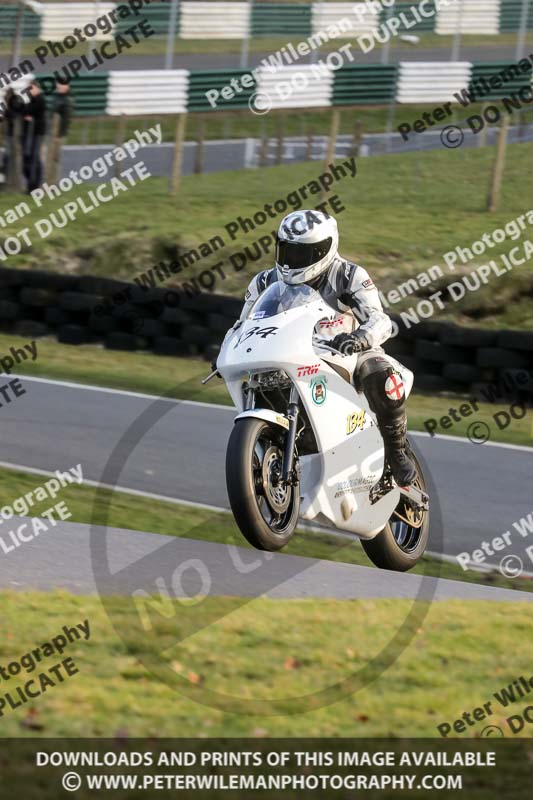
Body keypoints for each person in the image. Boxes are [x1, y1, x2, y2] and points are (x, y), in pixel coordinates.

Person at [223, 209, 417, 487]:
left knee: (381, 374)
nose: (291, 261)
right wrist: (229, 349)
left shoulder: (348, 275)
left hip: (344, 352)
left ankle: (397, 452)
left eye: (301, 254)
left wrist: (361, 337)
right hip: (287, 352)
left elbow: (379, 319)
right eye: (286, 250)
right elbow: (243, 324)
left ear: (324, 249)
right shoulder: (264, 282)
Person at [22, 79, 47, 192]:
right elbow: (25, 110)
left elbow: (30, 109)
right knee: (29, 158)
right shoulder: (33, 100)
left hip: (38, 133)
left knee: (34, 158)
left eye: (31, 88)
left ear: (37, 88)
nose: (29, 91)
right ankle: (31, 184)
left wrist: (28, 113)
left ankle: (35, 185)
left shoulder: (40, 100)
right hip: (31, 133)